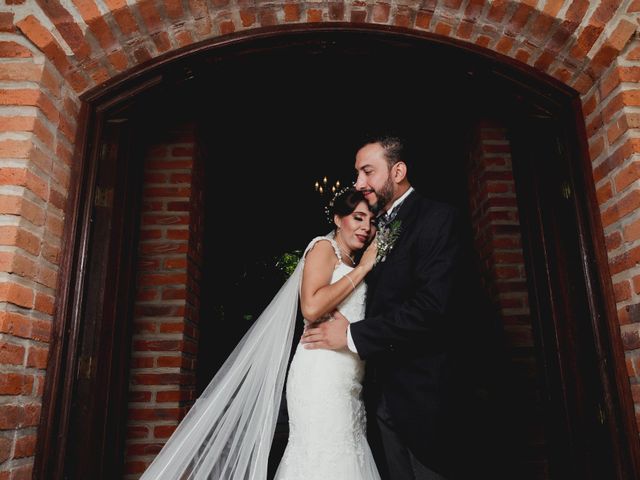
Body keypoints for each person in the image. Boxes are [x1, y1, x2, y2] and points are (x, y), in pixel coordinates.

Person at [139, 188, 381, 480]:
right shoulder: (323, 249)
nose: (366, 227)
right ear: (337, 219)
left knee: (347, 453)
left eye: (371, 220)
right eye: (357, 218)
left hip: (349, 379)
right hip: (320, 377)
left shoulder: (351, 262)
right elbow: (312, 306)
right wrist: (366, 267)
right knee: (323, 457)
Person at [301, 135, 461, 480]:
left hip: (422, 395)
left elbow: (432, 307)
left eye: (367, 172)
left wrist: (352, 333)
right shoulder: (376, 232)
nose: (359, 183)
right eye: (357, 173)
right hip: (378, 393)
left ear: (398, 171)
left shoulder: (436, 217)